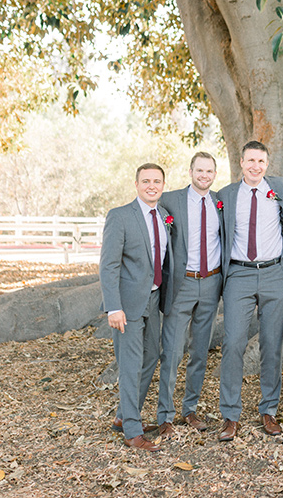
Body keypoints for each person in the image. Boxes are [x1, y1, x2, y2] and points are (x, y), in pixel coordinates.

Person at [216, 141, 283, 441]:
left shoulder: (280, 189)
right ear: (241, 162)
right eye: (250, 160)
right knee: (233, 342)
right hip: (239, 274)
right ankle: (230, 414)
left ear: (267, 163)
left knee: (272, 344)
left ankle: (269, 410)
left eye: (261, 161)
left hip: (275, 273)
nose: (255, 166)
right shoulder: (226, 195)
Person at [99, 163, 174, 452]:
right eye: (146, 181)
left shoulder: (165, 216)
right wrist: (113, 307)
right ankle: (132, 430)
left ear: (163, 185)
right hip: (126, 305)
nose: (151, 186)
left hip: (153, 299)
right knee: (130, 365)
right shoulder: (120, 216)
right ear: (136, 184)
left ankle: (123, 416)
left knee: (152, 356)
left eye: (156, 181)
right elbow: (108, 265)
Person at [155, 152, 224, 439]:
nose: (204, 175)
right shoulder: (170, 201)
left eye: (209, 171)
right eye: (199, 170)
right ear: (190, 171)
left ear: (214, 174)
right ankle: (165, 416)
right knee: (172, 350)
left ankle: (190, 408)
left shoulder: (222, 203)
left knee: (199, 351)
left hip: (211, 282)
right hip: (182, 284)